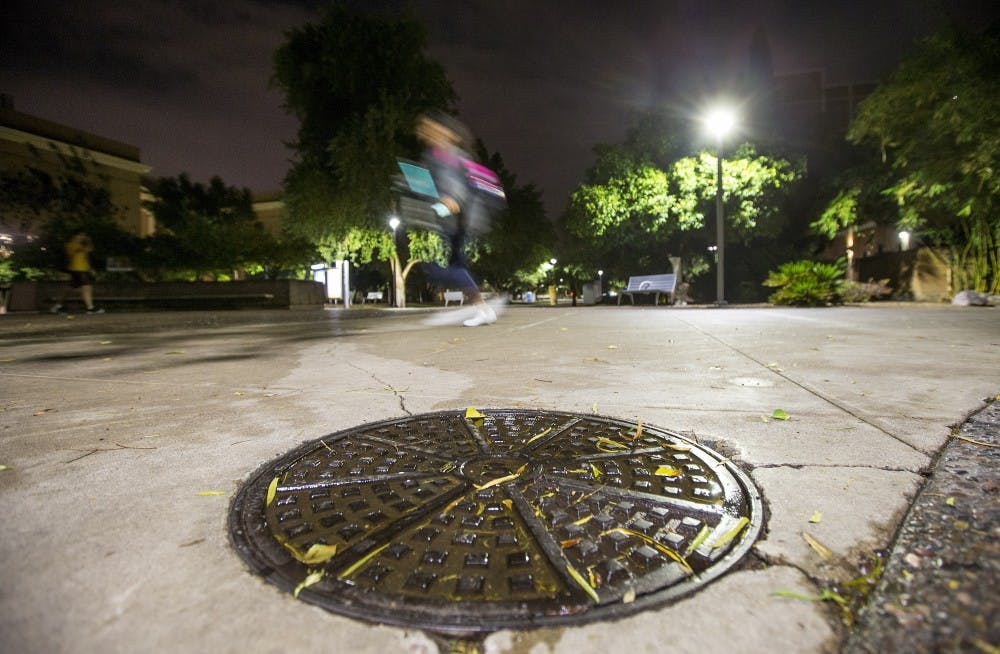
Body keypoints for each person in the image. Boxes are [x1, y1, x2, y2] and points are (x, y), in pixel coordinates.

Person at [415, 112, 501, 327]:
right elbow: (432, 189)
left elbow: (458, 186)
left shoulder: (451, 155)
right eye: (425, 130)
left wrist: (452, 199)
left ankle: (484, 308)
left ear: (446, 132)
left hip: (461, 219)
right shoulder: (432, 156)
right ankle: (483, 308)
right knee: (455, 267)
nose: (427, 133)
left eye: (431, 128)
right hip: (448, 220)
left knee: (443, 270)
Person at [51, 232, 103, 314]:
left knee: (70, 288)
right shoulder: (71, 244)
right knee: (87, 287)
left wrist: (90, 269)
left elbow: (88, 252)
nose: (82, 237)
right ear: (74, 236)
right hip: (77, 269)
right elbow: (72, 252)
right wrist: (82, 243)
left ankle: (58, 306)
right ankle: (90, 308)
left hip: (82, 269)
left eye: (83, 235)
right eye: (80, 235)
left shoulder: (82, 244)